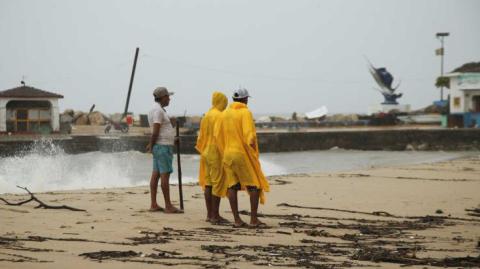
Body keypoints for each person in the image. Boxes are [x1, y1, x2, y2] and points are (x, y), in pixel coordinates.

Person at [214, 88, 269, 228]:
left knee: (232, 186)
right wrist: (254, 153)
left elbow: (217, 134)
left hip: (228, 154)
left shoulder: (225, 113)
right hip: (241, 154)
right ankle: (253, 219)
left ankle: (237, 220)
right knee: (255, 185)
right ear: (245, 99)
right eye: (247, 99)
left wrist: (224, 150)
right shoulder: (245, 112)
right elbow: (250, 136)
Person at [146, 86, 183, 213]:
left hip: (162, 145)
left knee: (156, 175)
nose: (169, 99)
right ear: (162, 97)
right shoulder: (158, 111)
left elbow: (161, 129)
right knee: (164, 175)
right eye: (168, 96)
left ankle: (154, 204)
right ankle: (168, 205)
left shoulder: (158, 110)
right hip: (162, 147)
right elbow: (156, 130)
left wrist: (172, 137)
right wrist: (151, 144)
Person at [195, 91, 228, 224]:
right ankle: (215, 215)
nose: (226, 104)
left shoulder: (206, 115)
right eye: (225, 102)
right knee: (217, 183)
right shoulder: (220, 116)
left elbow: (201, 136)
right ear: (221, 101)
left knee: (208, 183)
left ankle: (209, 214)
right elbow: (220, 136)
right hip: (216, 152)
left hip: (205, 151)